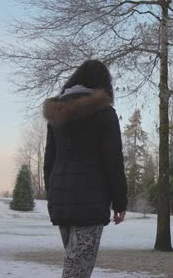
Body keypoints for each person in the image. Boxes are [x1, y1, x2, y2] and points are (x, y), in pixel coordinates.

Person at [43, 60, 127, 278]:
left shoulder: (57, 113)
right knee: (78, 270)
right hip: (90, 204)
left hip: (62, 202)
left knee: (74, 265)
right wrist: (120, 202)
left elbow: (49, 162)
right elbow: (113, 160)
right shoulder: (104, 113)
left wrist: (52, 196)